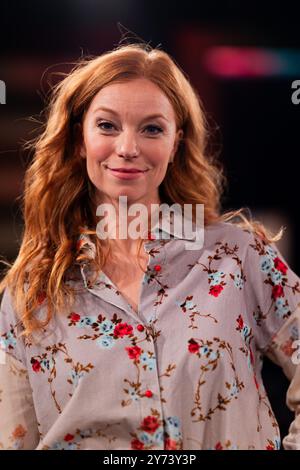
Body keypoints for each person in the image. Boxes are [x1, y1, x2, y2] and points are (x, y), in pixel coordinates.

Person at [0, 42, 300, 451]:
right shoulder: (30, 291)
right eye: (107, 126)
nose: (128, 148)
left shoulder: (239, 256)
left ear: (175, 143)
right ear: (79, 140)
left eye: (152, 128)